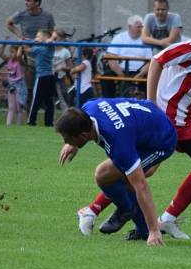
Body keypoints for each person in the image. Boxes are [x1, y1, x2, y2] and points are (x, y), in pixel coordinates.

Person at [76, 12, 191, 240]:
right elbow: (159, 60)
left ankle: (167, 220)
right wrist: (152, 106)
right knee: (141, 171)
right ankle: (92, 210)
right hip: (165, 119)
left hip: (189, 120)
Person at [57, 98, 177, 245]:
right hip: (147, 120)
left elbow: (141, 186)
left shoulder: (118, 142)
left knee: (111, 176)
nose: (66, 142)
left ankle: (136, 219)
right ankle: (137, 223)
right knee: (120, 176)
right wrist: (73, 145)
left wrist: (154, 230)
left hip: (161, 141)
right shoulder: (88, 108)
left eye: (68, 139)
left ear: (83, 135)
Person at [6, 0, 55, 92]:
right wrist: (20, 36)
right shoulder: (22, 14)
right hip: (28, 54)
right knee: (29, 87)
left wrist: (49, 39)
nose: (26, 3)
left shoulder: (47, 16)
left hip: (43, 55)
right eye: (25, 0)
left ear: (37, 2)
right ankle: (28, 107)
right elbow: (8, 23)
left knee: (44, 87)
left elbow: (52, 32)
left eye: (29, 1)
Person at [104, 14, 154, 97]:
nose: (141, 29)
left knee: (152, 77)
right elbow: (111, 58)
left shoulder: (146, 39)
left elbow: (150, 61)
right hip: (121, 70)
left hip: (139, 72)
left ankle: (147, 104)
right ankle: (109, 102)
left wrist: (139, 75)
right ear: (130, 26)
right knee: (106, 76)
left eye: (142, 26)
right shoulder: (119, 38)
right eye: (138, 27)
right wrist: (121, 75)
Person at [26, 29, 56, 126]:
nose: (36, 38)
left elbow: (27, 49)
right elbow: (27, 50)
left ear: (45, 37)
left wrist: (49, 39)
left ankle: (31, 121)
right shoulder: (41, 47)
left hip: (42, 77)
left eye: (38, 36)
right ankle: (49, 122)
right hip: (49, 77)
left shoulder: (43, 47)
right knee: (48, 101)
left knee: (37, 100)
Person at [0, 44, 27, 126]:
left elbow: (19, 56)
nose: (11, 54)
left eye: (13, 52)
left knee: (19, 108)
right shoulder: (9, 60)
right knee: (11, 107)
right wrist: (4, 45)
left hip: (20, 86)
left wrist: (20, 46)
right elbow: (0, 54)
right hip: (11, 86)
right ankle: (8, 125)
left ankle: (18, 125)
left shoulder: (21, 61)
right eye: (10, 52)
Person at [51, 28, 73, 109]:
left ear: (62, 39)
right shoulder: (50, 49)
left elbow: (70, 67)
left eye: (56, 38)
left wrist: (62, 68)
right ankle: (51, 119)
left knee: (63, 97)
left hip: (60, 77)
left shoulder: (65, 51)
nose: (55, 40)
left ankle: (66, 114)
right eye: (53, 38)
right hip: (50, 76)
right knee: (50, 98)